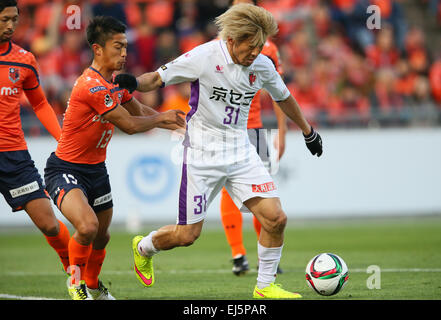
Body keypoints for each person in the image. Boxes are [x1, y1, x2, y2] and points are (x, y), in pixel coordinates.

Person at [115, 3, 322, 299]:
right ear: (232, 40)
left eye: (260, 46)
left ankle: (264, 287)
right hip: (202, 152)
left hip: (241, 150)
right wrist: (134, 82)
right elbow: (158, 78)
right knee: (187, 236)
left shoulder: (262, 65)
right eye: (250, 47)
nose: (255, 53)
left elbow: (285, 97)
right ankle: (143, 247)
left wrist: (307, 131)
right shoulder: (204, 56)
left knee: (276, 218)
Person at [43, 16, 185, 300]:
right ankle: (76, 283)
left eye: (126, 47)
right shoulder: (90, 86)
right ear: (98, 49)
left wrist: (182, 125)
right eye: (117, 47)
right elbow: (130, 126)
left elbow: (141, 113)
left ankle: (94, 287)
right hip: (65, 168)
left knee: (102, 236)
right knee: (87, 227)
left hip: (96, 170)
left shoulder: (115, 84)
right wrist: (161, 120)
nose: (124, 53)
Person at [0, 0, 71, 275]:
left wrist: (62, 138)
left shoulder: (24, 60)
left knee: (50, 224)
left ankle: (76, 274)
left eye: (14, 20)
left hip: (14, 156)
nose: (10, 26)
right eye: (4, 19)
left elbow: (40, 104)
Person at [220, 0, 287, 276]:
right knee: (229, 191)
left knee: (263, 193)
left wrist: (282, 132)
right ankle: (238, 254)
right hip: (226, 131)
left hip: (256, 129)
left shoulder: (268, 48)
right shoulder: (220, 44)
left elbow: (279, 93)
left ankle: (265, 256)